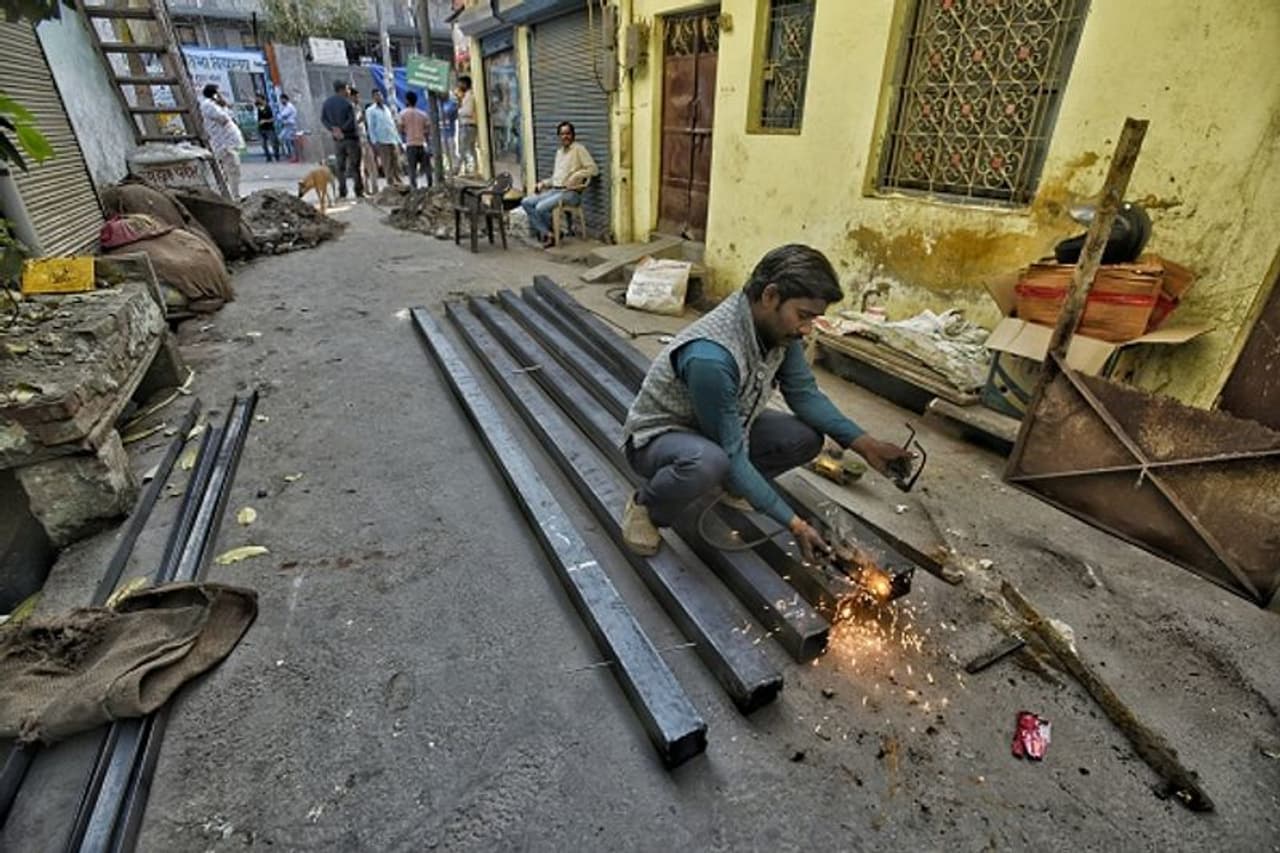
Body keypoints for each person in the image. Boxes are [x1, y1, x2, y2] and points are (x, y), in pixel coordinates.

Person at [620, 244, 914, 559]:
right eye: (803, 316)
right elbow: (730, 452)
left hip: (724, 426)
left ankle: (737, 486)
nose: (806, 328)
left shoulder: (778, 331)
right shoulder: (713, 357)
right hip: (661, 439)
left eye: (813, 318)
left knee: (805, 438)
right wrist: (795, 525)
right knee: (710, 461)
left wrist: (866, 445)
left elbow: (804, 395)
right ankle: (645, 507)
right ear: (770, 296)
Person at [520, 121, 597, 248]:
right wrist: (543, 183)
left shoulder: (579, 149)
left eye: (568, 133)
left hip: (571, 193)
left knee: (540, 208)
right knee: (526, 202)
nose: (565, 136)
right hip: (556, 190)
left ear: (573, 135)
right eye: (562, 134)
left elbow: (593, 169)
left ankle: (552, 234)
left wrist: (576, 175)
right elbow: (556, 178)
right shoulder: (559, 152)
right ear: (559, 136)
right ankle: (551, 234)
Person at [199, 83, 244, 199]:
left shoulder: (215, 105)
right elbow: (224, 119)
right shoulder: (208, 105)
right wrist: (223, 104)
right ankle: (234, 196)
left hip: (228, 143)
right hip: (224, 144)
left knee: (231, 171)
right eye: (218, 93)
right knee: (232, 170)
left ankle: (231, 194)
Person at [320, 79, 362, 198]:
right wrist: (342, 129)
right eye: (348, 89)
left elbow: (323, 119)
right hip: (350, 138)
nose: (349, 92)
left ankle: (342, 191)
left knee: (340, 167)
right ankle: (358, 190)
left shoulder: (327, 103)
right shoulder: (347, 104)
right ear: (343, 89)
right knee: (355, 166)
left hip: (337, 140)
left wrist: (333, 129)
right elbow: (351, 121)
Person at [365, 88, 402, 188]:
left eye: (380, 95)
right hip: (382, 140)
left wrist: (398, 140)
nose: (379, 97)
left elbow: (392, 125)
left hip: (392, 138)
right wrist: (374, 141)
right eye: (377, 95)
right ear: (373, 97)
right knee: (387, 163)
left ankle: (399, 182)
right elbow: (371, 127)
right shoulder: (371, 111)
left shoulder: (386, 109)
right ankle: (391, 184)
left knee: (397, 162)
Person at [397, 90, 432, 189]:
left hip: (410, 144)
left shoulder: (403, 114)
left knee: (412, 169)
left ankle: (414, 188)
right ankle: (430, 185)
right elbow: (428, 130)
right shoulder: (423, 114)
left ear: (407, 101)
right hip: (422, 143)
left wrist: (406, 132)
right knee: (427, 168)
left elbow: (400, 129)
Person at [350, 88, 380, 195]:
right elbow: (352, 124)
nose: (358, 98)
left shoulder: (359, 108)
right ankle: (365, 189)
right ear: (351, 97)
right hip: (357, 140)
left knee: (372, 165)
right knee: (362, 167)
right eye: (356, 96)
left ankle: (375, 188)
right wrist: (360, 120)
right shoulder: (350, 109)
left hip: (365, 138)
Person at [456, 75, 477, 175]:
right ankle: (473, 169)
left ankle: (459, 169)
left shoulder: (469, 96)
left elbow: (468, 111)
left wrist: (459, 111)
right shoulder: (466, 96)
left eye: (460, 83)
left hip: (467, 126)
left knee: (463, 149)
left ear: (465, 84)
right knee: (470, 149)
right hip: (468, 126)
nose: (459, 86)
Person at [255, 95, 279, 162]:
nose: (258, 100)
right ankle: (268, 157)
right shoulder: (260, 107)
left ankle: (276, 156)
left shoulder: (268, 108)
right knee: (263, 144)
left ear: (263, 100)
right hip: (261, 128)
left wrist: (265, 121)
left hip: (269, 128)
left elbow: (273, 118)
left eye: (259, 99)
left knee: (273, 143)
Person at [440, 92, 458, 173]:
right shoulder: (438, 104)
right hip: (441, 132)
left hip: (450, 132)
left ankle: (455, 167)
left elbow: (450, 113)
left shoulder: (452, 104)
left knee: (451, 151)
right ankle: (449, 167)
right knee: (446, 153)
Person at [277, 94, 298, 162]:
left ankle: (294, 156)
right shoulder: (285, 106)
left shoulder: (289, 106)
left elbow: (282, 115)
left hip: (290, 126)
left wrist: (279, 117)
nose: (281, 101)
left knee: (291, 142)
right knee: (286, 140)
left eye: (282, 99)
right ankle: (292, 155)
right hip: (287, 125)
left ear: (285, 99)